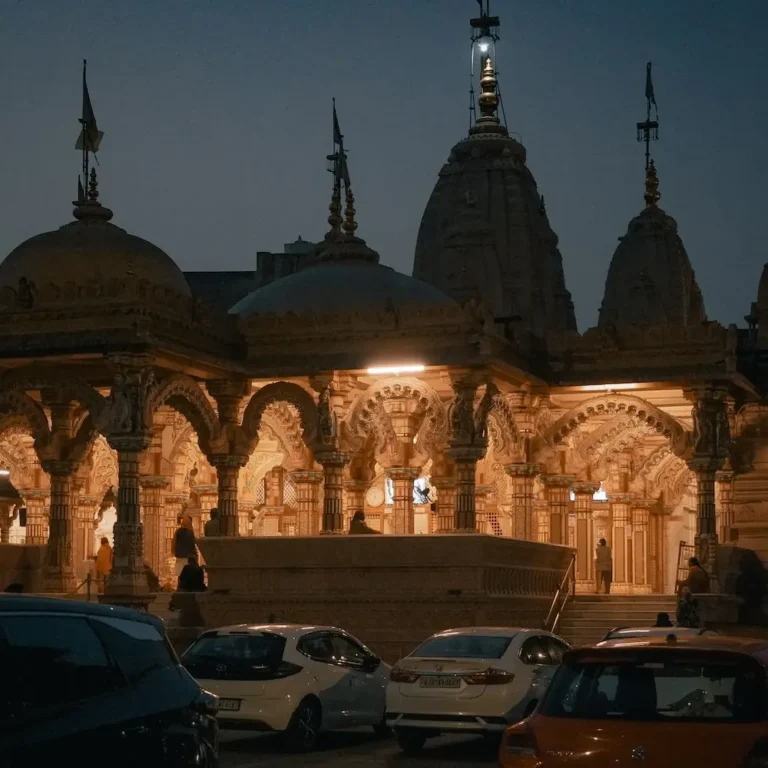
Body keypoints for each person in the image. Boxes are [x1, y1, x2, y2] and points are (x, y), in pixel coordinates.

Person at [173, 515, 197, 581]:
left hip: (179, 557)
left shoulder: (178, 531)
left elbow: (174, 543)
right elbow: (192, 544)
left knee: (180, 575)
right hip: (187, 557)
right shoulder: (190, 532)